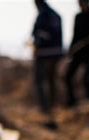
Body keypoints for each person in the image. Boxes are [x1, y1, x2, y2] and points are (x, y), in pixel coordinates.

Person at [32, 0, 63, 129]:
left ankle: (45, 109)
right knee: (51, 82)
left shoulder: (42, 15)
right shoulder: (56, 15)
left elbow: (38, 33)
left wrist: (36, 45)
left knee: (40, 81)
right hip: (56, 53)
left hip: (44, 53)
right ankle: (52, 108)